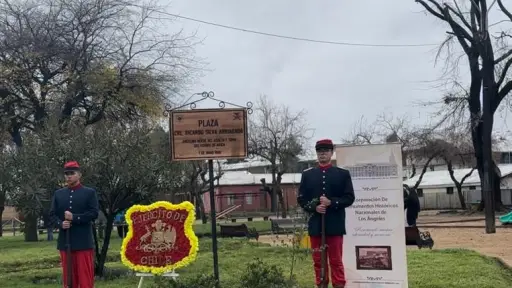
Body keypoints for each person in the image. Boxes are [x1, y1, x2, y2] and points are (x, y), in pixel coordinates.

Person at [297, 139, 355, 288]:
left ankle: (339, 285)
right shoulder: (308, 175)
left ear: (331, 152)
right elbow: (301, 199)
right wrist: (314, 207)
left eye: (326, 150)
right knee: (318, 260)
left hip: (334, 224)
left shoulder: (342, 174)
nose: (322, 153)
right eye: (319, 151)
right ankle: (321, 284)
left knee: (336, 260)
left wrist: (332, 202)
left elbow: (349, 198)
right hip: (316, 225)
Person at [49, 161, 99, 288]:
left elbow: (93, 213)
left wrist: (75, 217)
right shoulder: (58, 194)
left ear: (79, 175)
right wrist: (61, 224)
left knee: (84, 277)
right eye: (66, 174)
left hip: (83, 241)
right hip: (65, 241)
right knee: (68, 278)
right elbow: (51, 215)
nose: (68, 176)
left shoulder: (89, 192)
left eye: (72, 173)